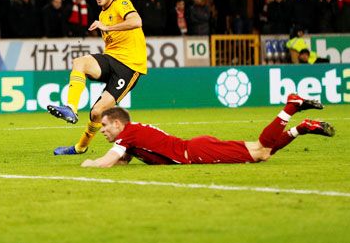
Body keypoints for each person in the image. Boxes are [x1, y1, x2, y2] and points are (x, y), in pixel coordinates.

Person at [80, 94, 334, 168]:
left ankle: (291, 106)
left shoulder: (128, 133)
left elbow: (107, 162)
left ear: (117, 124)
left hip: (195, 152)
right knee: (263, 153)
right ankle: (301, 128)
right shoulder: (132, 136)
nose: (102, 130)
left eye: (104, 126)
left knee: (259, 150)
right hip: (197, 147)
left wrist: (89, 163)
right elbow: (121, 160)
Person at [47, 0, 147, 155]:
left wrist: (107, 27)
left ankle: (80, 147)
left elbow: (136, 21)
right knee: (80, 62)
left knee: (96, 112)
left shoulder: (121, 3)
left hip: (129, 67)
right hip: (111, 59)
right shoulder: (102, 14)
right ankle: (71, 108)